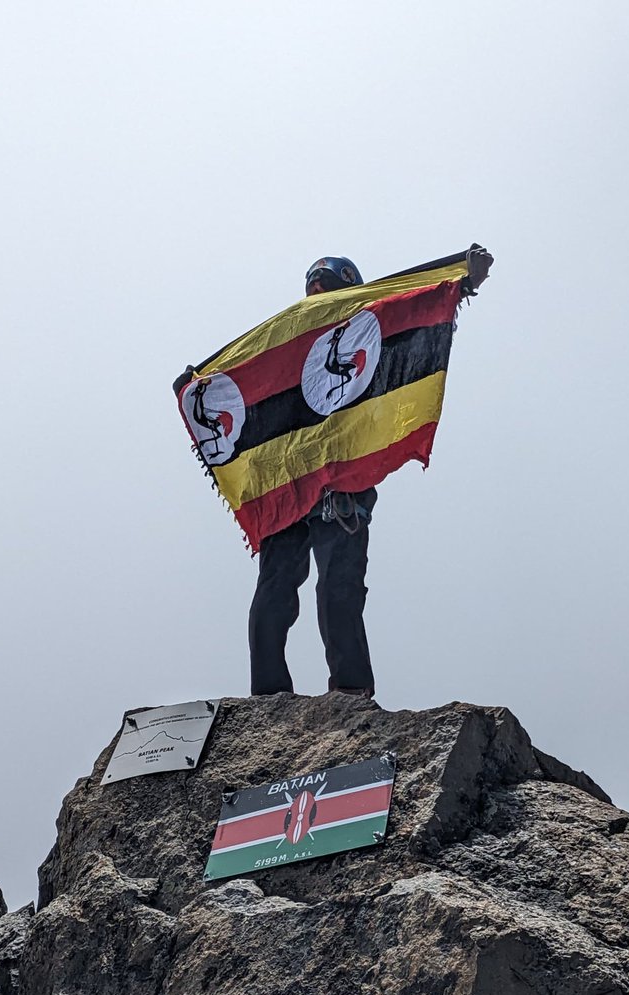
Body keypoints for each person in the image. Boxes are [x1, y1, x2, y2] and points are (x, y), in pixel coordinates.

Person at [176, 247, 493, 699]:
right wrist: (461, 280)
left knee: (277, 589)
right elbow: (409, 304)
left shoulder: (280, 334)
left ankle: (268, 695)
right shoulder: (359, 319)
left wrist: (193, 385)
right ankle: (350, 692)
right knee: (336, 589)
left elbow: (239, 383)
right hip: (334, 486)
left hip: (285, 486)